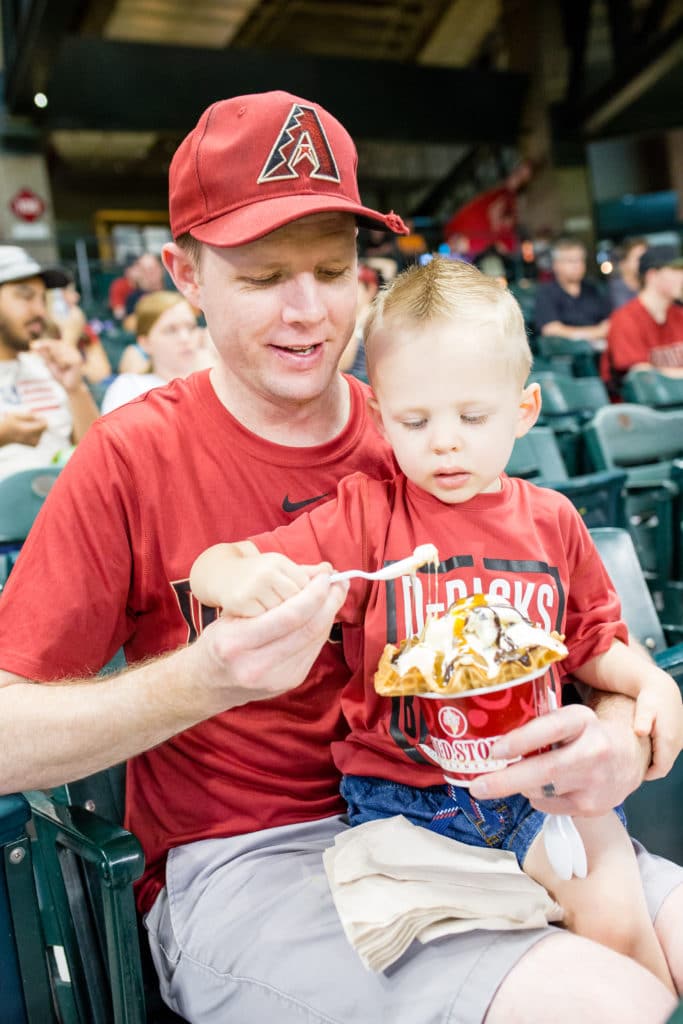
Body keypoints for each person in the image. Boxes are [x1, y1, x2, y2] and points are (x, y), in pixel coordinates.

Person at [0, 91, 680, 1024]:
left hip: (476, 812)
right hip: (251, 863)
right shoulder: (130, 457)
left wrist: (626, 722)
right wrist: (200, 680)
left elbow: (580, 629)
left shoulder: (420, 429)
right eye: (262, 275)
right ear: (184, 274)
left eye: (332, 268)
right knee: (606, 1003)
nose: (307, 311)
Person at [190, 256, 681, 991]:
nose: (444, 442)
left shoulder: (551, 521)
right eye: (415, 421)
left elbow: (590, 643)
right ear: (381, 417)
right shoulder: (366, 515)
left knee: (626, 941)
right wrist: (239, 579)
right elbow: (216, 564)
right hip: (402, 802)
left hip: (538, 784)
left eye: (472, 417)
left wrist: (643, 678)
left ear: (523, 410)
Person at [0, 245, 100, 479]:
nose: (40, 311)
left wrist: (75, 389)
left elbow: (96, 455)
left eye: (42, 299)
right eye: (25, 297)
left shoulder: (47, 366)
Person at [602, 244, 683, 397]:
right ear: (652, 275)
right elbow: (642, 377)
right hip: (642, 413)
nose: (682, 277)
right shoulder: (625, 318)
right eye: (676, 270)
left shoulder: (679, 314)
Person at [101, 291, 199, 413]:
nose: (185, 338)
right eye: (170, 330)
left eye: (191, 327)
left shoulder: (218, 382)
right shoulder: (129, 388)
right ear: (145, 343)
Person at [443, 161, 532, 260]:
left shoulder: (507, 199)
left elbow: (504, 247)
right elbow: (505, 247)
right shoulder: (505, 196)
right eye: (519, 173)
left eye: (522, 176)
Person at [534, 237, 612, 345]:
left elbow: (608, 324)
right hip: (563, 356)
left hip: (598, 352)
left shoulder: (594, 289)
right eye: (571, 261)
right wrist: (594, 333)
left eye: (580, 260)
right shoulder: (546, 292)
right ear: (556, 265)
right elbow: (550, 329)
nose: (577, 265)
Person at [47, 277, 113, 384]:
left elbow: (101, 373)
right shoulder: (36, 336)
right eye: (68, 292)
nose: (76, 297)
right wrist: (70, 337)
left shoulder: (83, 329)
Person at [338, 262, 380, 382]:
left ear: (371, 289)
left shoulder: (379, 320)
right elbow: (341, 366)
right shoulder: (345, 318)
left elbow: (344, 365)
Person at [609, 237, 648, 310]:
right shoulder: (616, 287)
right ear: (623, 263)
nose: (644, 262)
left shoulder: (648, 282)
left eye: (646, 258)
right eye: (638, 258)